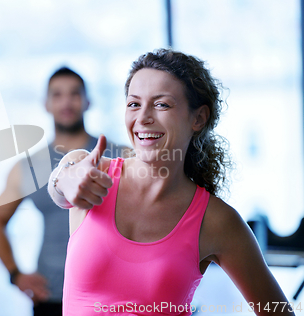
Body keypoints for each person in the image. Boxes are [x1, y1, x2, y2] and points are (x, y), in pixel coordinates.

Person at [48, 49, 296, 316]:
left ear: (198, 118)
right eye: (134, 104)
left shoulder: (216, 221)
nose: (142, 118)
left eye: (161, 104)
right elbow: (60, 187)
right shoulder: (90, 172)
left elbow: (278, 311)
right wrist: (64, 180)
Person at [0, 67, 131, 315]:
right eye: (58, 95)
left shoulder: (120, 156)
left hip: (112, 294)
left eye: (74, 94)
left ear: (87, 102)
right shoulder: (30, 166)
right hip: (51, 295)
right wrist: (15, 274)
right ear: (46, 104)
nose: (66, 102)